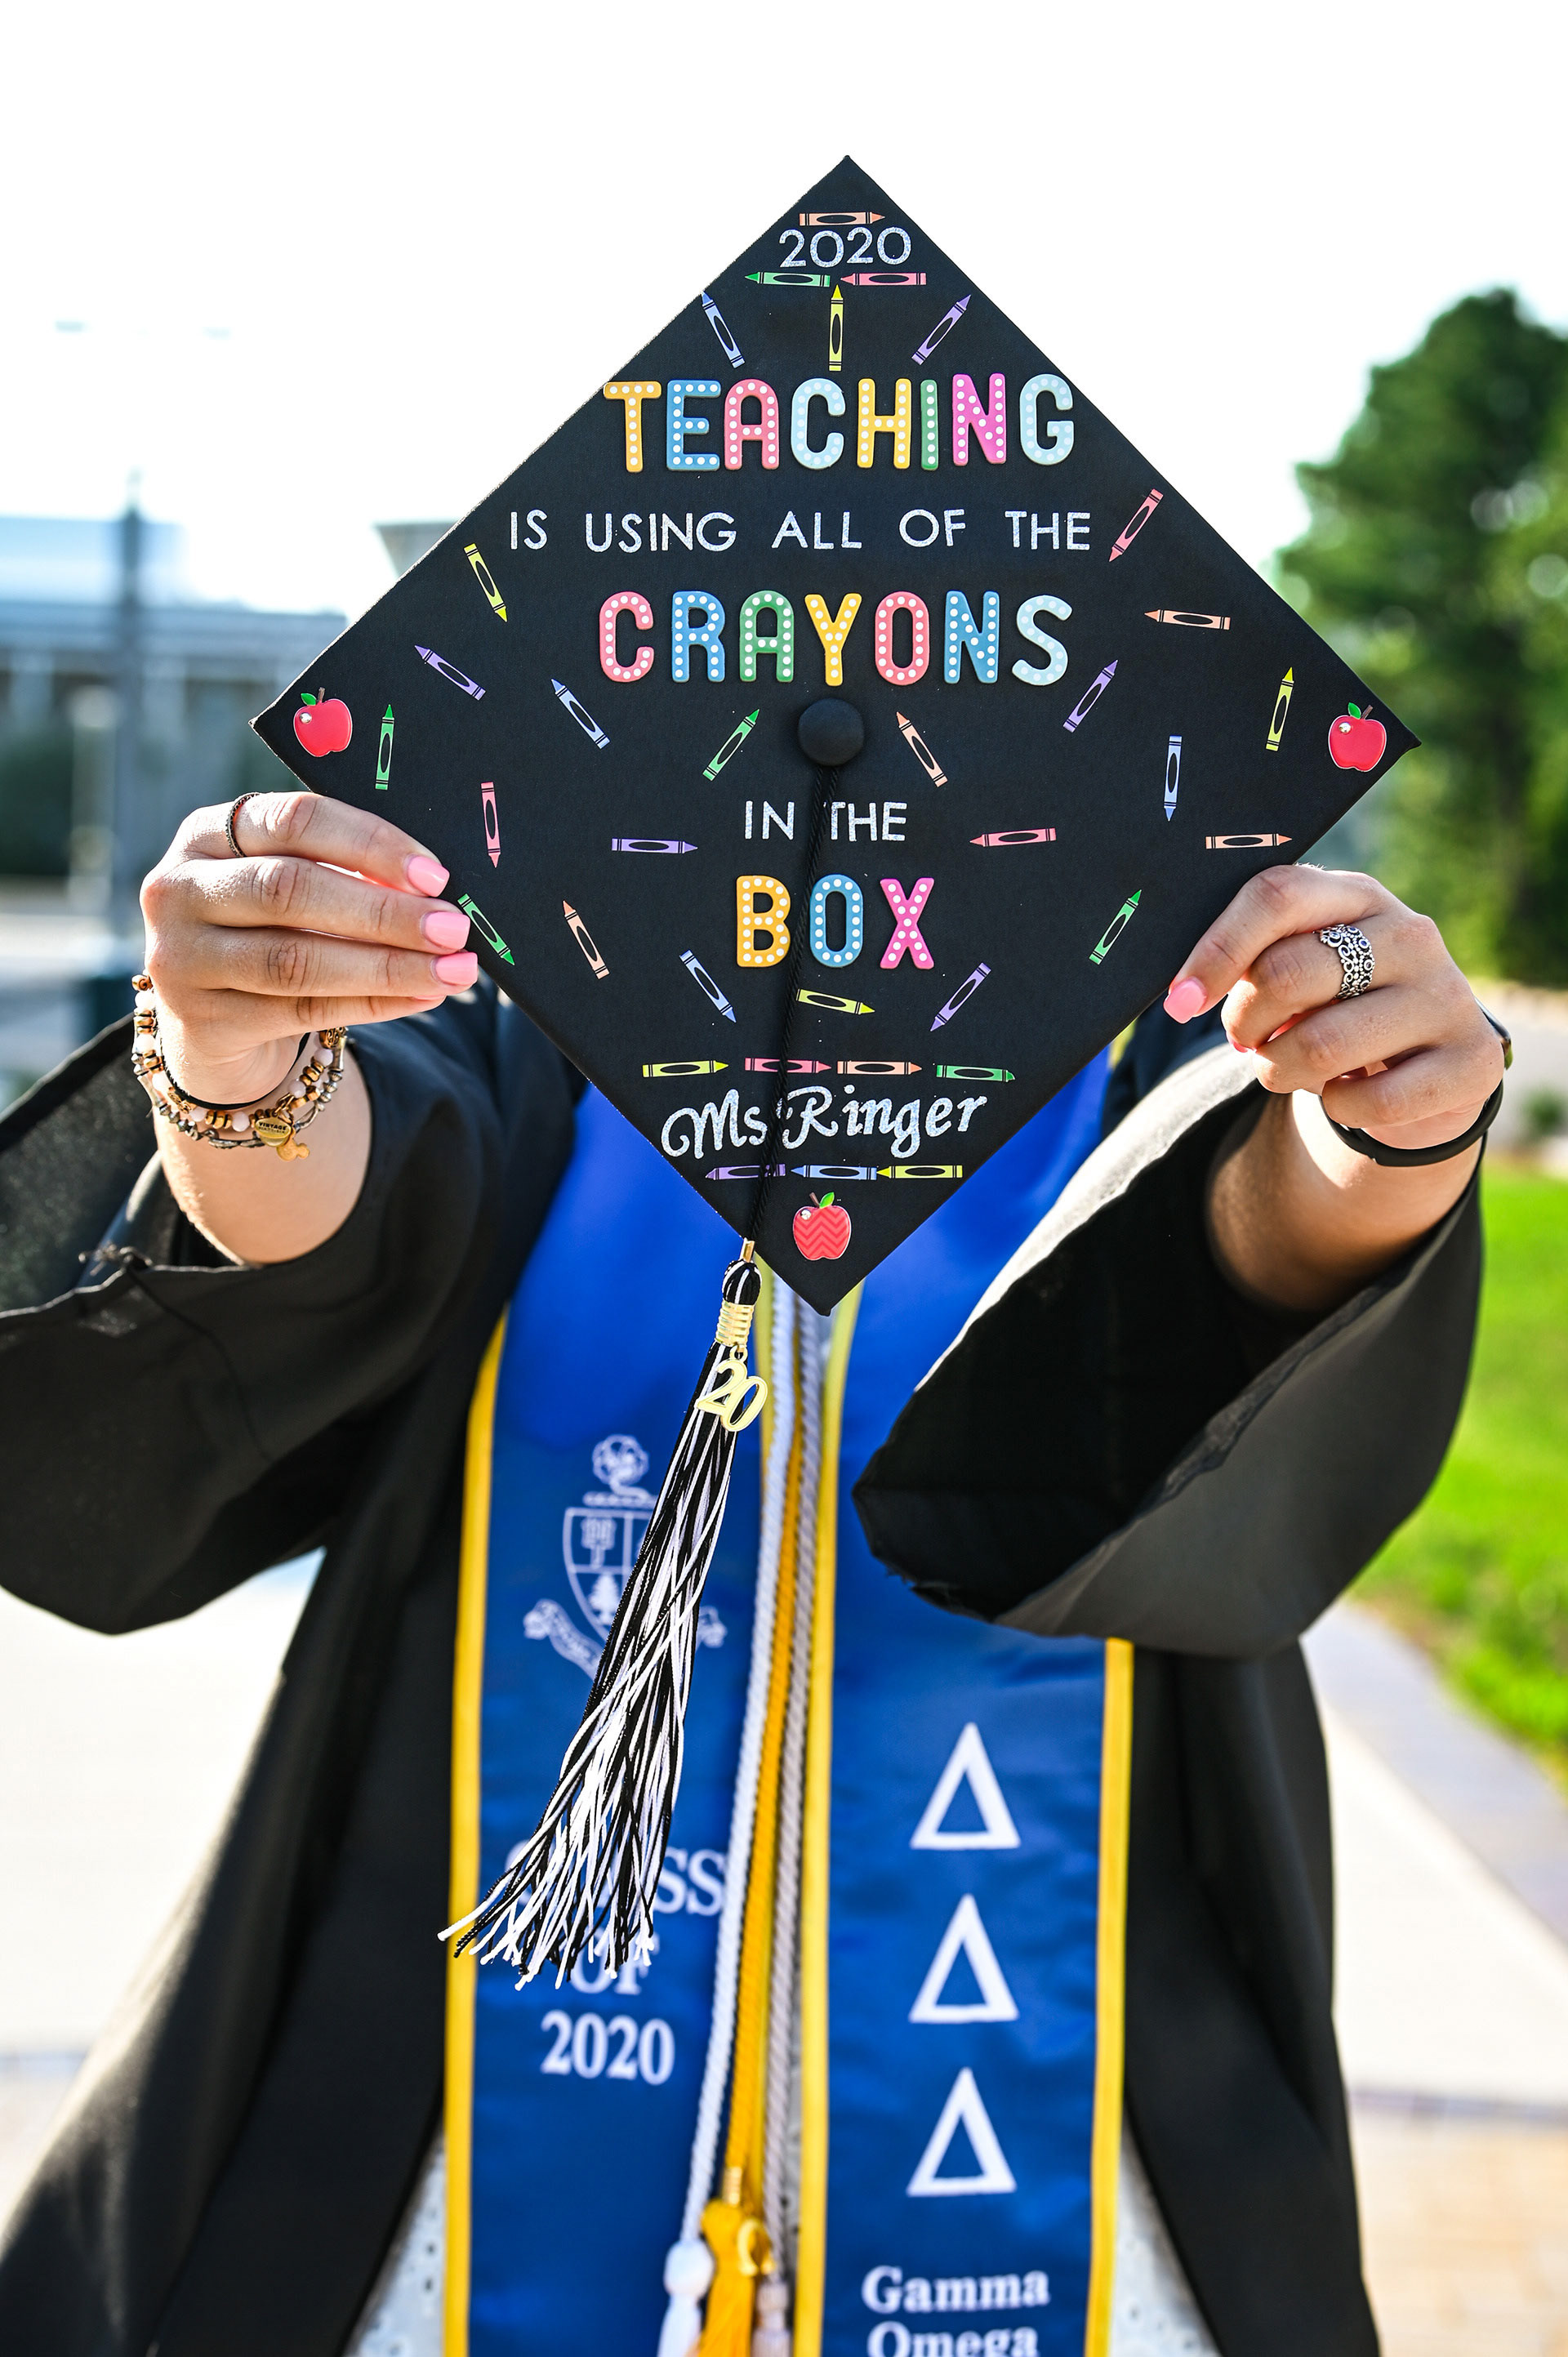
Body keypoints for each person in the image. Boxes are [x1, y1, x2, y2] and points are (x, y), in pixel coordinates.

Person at [0, 787, 1502, 2357]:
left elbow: (1249, 1210)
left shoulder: (1156, 943)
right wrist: (236, 1067)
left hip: (1085, 2029)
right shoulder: (537, 929)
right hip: (455, 2070)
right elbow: (357, 1193)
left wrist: (1383, 1122)